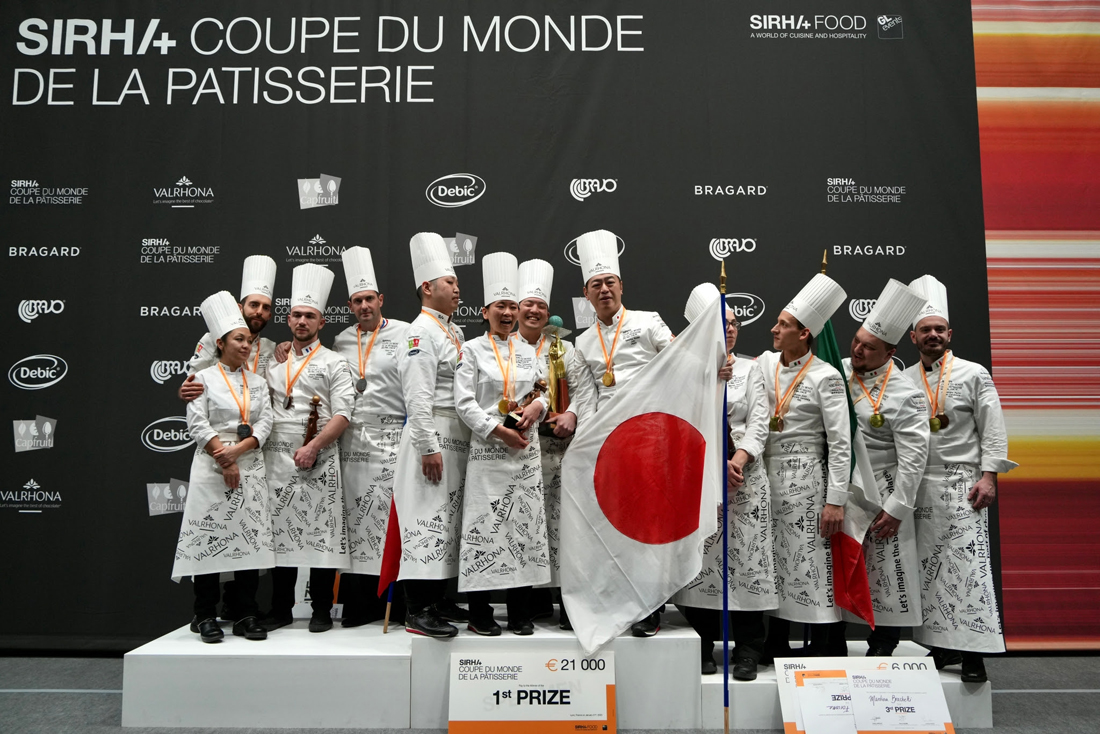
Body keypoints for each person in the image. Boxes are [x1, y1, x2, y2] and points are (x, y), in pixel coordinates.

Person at [903, 274, 1017, 683]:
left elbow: (994, 429)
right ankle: (942, 646)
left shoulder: (973, 373)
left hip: (962, 485)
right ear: (912, 336)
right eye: (924, 330)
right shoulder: (903, 380)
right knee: (929, 571)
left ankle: (975, 655)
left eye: (938, 329)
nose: (932, 335)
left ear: (949, 333)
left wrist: (989, 478)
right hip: (919, 488)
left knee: (969, 570)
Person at [570, 229, 674, 637]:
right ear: (587, 293)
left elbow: (679, 360)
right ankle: (617, 598)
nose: (604, 290)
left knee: (647, 525)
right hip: (610, 443)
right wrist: (588, 447)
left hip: (649, 437)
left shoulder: (649, 322)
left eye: (609, 282)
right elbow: (587, 396)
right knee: (615, 524)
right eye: (596, 284)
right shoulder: (582, 341)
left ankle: (649, 606)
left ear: (621, 286)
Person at [673, 283, 776, 679]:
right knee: (703, 561)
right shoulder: (685, 369)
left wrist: (738, 458)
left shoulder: (752, 369)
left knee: (747, 562)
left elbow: (759, 423)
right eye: (721, 323)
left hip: (744, 480)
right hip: (700, 478)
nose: (730, 329)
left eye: (734, 323)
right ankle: (702, 641)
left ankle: (748, 647)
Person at [454, 252, 552, 635]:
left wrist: (537, 410)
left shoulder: (529, 351)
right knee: (487, 527)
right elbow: (464, 403)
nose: (508, 313)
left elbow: (543, 394)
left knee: (523, 529)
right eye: (501, 306)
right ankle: (480, 612)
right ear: (485, 311)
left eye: (512, 306)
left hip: (525, 452)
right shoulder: (472, 351)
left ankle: (519, 612)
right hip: (489, 451)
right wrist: (498, 431)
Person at [172, 290, 275, 643]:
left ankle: (246, 612)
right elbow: (197, 423)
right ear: (221, 342)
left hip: (249, 464)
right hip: (211, 467)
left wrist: (240, 451)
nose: (246, 346)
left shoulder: (258, 383)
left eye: (248, 340)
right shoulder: (202, 379)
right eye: (239, 339)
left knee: (247, 541)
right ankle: (204, 615)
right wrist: (223, 456)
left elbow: (265, 423)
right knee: (209, 539)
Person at [758, 273, 852, 659]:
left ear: (805, 333)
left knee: (809, 561)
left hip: (808, 477)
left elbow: (841, 443)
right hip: (766, 474)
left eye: (783, 324)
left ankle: (825, 645)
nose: (774, 329)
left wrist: (836, 501)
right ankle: (775, 640)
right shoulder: (763, 365)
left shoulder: (826, 376)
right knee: (774, 561)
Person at [260, 264, 355, 633]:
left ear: (322, 321)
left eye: (309, 316)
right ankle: (280, 608)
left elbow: (343, 413)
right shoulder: (273, 362)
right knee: (280, 532)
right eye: (297, 315)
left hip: (319, 455)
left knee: (322, 532)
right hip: (276, 457)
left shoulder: (335, 362)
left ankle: (320, 610)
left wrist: (314, 446)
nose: (302, 321)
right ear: (288, 319)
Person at [840, 279, 931, 655]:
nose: (858, 350)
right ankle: (833, 646)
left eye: (869, 347)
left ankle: (884, 643)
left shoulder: (906, 393)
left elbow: (914, 456)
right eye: (857, 341)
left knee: (887, 568)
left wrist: (897, 507)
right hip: (843, 486)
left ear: (890, 351)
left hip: (884, 487)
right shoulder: (837, 370)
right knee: (843, 566)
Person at [392, 233, 471, 638]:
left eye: (457, 283)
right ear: (427, 287)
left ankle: (439, 598)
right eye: (450, 283)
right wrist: (428, 447)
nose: (458, 289)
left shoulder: (451, 332)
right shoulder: (420, 332)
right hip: (432, 436)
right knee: (425, 518)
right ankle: (416, 609)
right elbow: (417, 397)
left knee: (448, 518)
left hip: (454, 435)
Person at [514, 259, 596, 630]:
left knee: (564, 527)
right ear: (515, 310)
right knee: (524, 525)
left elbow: (585, 391)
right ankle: (528, 603)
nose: (534, 311)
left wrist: (573, 415)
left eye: (540, 306)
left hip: (561, 452)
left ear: (548, 313)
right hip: (514, 451)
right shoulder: (500, 349)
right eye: (527, 305)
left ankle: (567, 606)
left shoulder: (564, 350)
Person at [330, 246, 411, 626]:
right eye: (357, 301)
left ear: (381, 300)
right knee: (357, 522)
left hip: (393, 438)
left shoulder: (407, 333)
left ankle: (399, 606)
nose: (364, 306)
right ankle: (361, 607)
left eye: (370, 299)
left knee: (392, 523)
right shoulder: (342, 340)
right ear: (350, 305)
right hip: (352, 444)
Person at [180, 255, 278, 400]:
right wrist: (184, 391)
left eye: (265, 308)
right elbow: (191, 385)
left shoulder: (271, 348)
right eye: (254, 304)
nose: (259, 311)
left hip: (257, 417)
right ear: (240, 308)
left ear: (269, 315)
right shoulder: (213, 339)